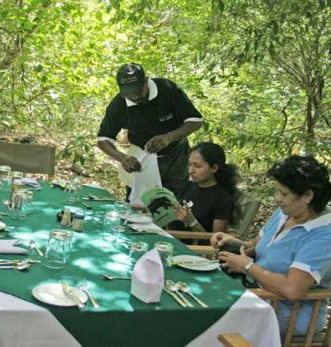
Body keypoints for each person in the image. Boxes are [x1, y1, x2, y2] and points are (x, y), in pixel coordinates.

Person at [211, 155, 331, 335]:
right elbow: (257, 247)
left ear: (307, 196)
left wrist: (247, 266)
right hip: (256, 294)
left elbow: (292, 289)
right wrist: (234, 243)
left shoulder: (323, 236)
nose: (277, 198)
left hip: (288, 314)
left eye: (284, 194)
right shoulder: (285, 213)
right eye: (277, 191)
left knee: (209, 316)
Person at [97, 63, 203, 197]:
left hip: (175, 158)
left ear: (146, 81)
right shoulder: (118, 105)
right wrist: (122, 158)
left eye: (138, 92)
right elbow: (103, 140)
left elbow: (195, 121)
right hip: (141, 159)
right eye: (129, 94)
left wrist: (168, 137)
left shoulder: (167, 89)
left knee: (174, 203)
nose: (135, 98)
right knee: (138, 202)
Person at [168, 142, 237, 233]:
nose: (190, 171)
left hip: (189, 244)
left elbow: (215, 242)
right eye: (189, 164)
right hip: (168, 236)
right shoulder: (189, 186)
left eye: (197, 166)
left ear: (214, 168)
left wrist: (192, 222)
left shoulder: (222, 200)